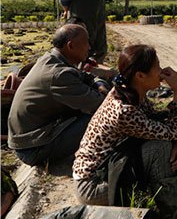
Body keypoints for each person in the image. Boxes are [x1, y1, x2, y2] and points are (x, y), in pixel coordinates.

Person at [73, 45, 177, 219]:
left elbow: (165, 124)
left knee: (176, 131)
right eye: (157, 66)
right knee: (160, 147)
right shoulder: (125, 109)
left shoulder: (131, 91)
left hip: (112, 167)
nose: (161, 71)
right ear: (140, 76)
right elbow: (169, 131)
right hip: (95, 184)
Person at [7, 24, 106, 167]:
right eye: (86, 43)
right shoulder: (58, 74)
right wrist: (103, 86)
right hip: (33, 148)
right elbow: (99, 105)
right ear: (70, 46)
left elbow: (86, 77)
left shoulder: (52, 58)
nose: (89, 47)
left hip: (30, 139)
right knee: (103, 119)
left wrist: (98, 84)